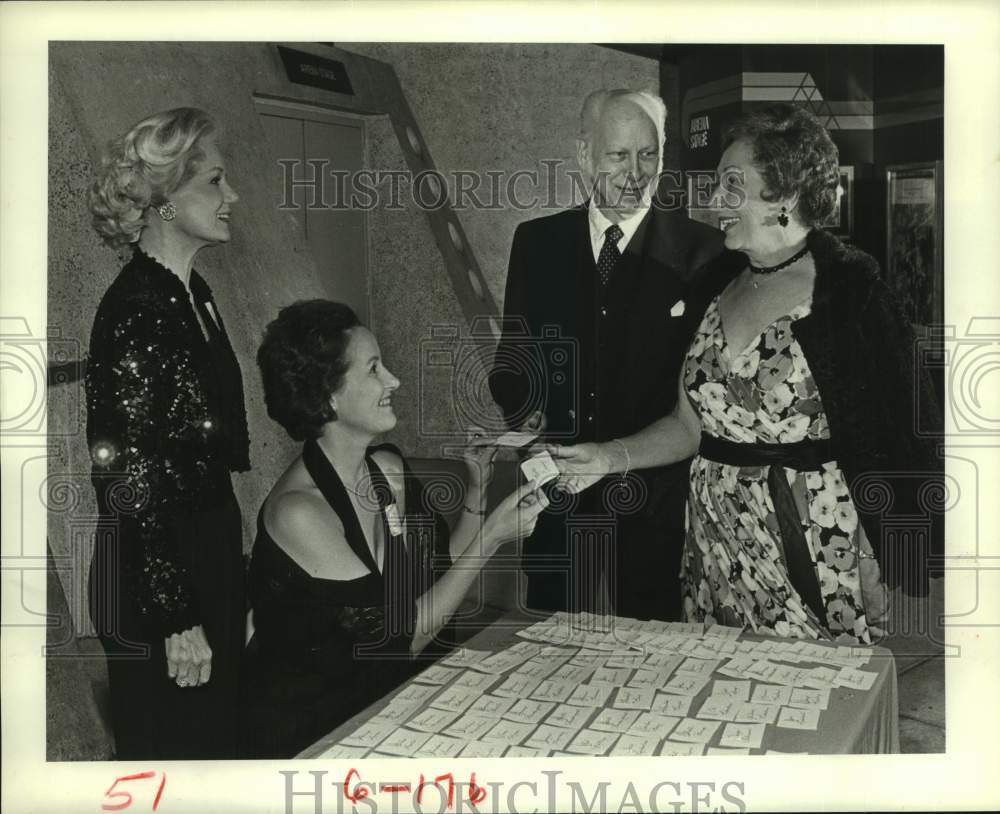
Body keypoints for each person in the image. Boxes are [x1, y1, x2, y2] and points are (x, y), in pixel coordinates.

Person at [551, 103, 943, 644]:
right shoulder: (713, 281)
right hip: (714, 538)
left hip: (815, 535)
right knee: (728, 700)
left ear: (784, 193)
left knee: (816, 703)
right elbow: (690, 426)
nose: (715, 202)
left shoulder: (852, 290)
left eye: (732, 184)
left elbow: (907, 434)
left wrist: (891, 551)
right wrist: (608, 456)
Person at [242, 300, 548, 759]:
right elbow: (400, 639)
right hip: (312, 735)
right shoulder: (299, 514)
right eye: (373, 370)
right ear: (329, 395)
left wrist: (478, 488)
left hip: (385, 702)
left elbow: (441, 578)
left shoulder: (386, 470)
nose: (394, 381)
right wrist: (495, 538)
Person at [488, 89, 725, 621]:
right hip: (556, 497)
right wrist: (535, 442)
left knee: (653, 655)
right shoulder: (536, 243)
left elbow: (704, 390)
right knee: (550, 648)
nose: (635, 172)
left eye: (649, 155)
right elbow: (512, 365)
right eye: (619, 155)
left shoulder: (703, 254)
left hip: (656, 502)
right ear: (584, 156)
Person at [86, 107, 250, 758]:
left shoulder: (193, 292)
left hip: (201, 542)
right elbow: (126, 478)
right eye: (214, 181)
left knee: (219, 744)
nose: (232, 195)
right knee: (177, 760)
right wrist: (176, 614)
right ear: (163, 200)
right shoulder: (135, 309)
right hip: (157, 569)